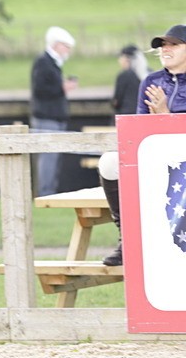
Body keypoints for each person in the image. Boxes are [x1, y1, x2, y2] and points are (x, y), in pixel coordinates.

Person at [98, 24, 186, 265]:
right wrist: (159, 119)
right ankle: (127, 238)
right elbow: (138, 131)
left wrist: (166, 114)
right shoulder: (151, 80)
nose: (165, 49)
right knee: (109, 163)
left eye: (174, 44)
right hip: (156, 157)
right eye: (162, 45)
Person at [29, 26, 78, 197]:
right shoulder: (44, 62)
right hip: (46, 117)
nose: (68, 51)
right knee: (48, 157)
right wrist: (62, 87)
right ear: (57, 45)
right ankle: (46, 192)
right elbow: (40, 90)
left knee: (52, 157)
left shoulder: (51, 63)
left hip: (52, 116)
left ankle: (49, 190)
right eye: (66, 46)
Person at [111, 44, 148, 117]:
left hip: (126, 115)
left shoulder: (124, 75)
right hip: (144, 115)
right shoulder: (150, 74)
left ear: (127, 59)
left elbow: (117, 101)